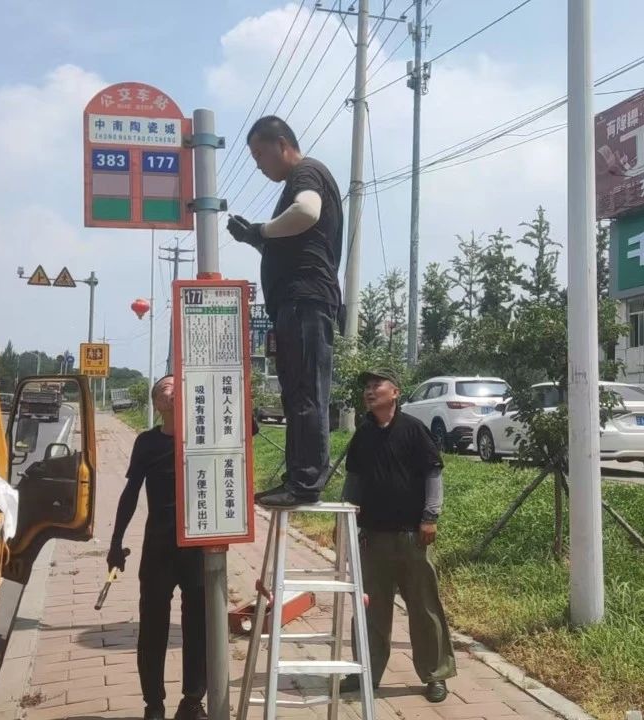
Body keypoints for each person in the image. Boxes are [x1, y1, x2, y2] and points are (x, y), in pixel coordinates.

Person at [227, 115, 343, 508]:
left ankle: (306, 482)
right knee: (296, 394)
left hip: (305, 300)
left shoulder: (306, 173)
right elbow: (293, 239)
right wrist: (254, 237)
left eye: (260, 155)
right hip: (296, 302)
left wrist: (261, 230)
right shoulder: (297, 181)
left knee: (306, 392)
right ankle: (297, 478)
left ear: (282, 144)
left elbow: (307, 212)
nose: (258, 165)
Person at [339, 368, 456, 703]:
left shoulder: (413, 430)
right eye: (367, 386)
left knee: (423, 607)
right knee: (370, 609)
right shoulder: (363, 434)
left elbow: (433, 473)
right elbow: (354, 479)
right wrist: (343, 518)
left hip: (411, 537)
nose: (369, 390)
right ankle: (366, 672)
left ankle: (435, 674)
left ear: (395, 392)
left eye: (377, 385)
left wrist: (430, 517)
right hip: (372, 537)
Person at [107, 375, 207, 720]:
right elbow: (130, 494)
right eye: (167, 387)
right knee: (152, 627)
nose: (174, 389)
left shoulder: (203, 436)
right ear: (158, 404)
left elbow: (247, 427)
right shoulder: (147, 443)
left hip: (198, 546)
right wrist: (116, 543)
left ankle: (192, 701)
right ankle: (154, 704)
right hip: (158, 547)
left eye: (180, 384)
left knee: (198, 626)